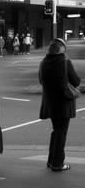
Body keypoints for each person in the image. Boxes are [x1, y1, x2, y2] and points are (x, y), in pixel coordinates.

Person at [39, 38, 80, 171]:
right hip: (63, 104)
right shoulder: (65, 62)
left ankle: (51, 160)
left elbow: (41, 80)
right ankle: (57, 163)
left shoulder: (44, 62)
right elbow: (76, 81)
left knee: (56, 131)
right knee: (61, 133)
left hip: (50, 103)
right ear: (62, 49)